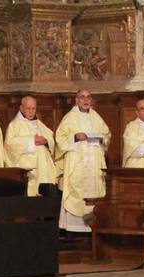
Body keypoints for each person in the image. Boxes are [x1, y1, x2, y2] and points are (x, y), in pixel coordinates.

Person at [54, 88, 110, 233]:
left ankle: (91, 227)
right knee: (76, 191)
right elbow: (59, 138)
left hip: (93, 163)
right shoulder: (69, 117)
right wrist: (75, 137)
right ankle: (74, 228)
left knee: (93, 193)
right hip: (77, 161)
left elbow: (107, 135)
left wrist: (101, 137)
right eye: (82, 97)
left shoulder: (96, 117)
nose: (86, 100)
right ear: (76, 100)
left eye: (88, 97)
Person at [3, 95, 58, 197]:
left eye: (33, 108)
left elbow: (51, 138)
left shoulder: (40, 124)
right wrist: (31, 140)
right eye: (28, 108)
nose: (31, 111)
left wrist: (46, 141)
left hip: (43, 168)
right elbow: (10, 145)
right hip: (30, 171)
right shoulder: (14, 125)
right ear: (21, 108)